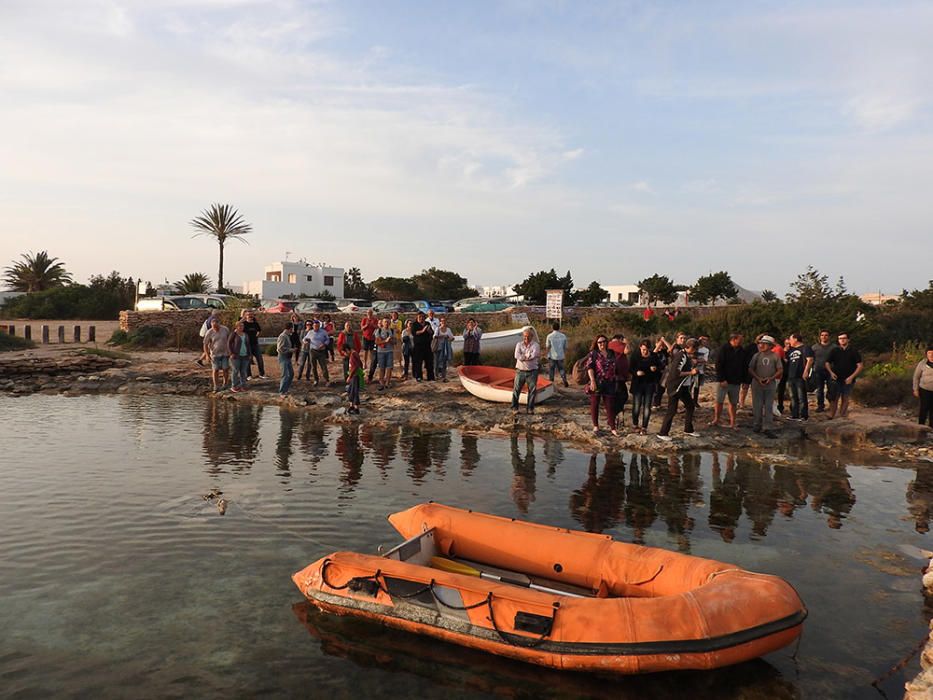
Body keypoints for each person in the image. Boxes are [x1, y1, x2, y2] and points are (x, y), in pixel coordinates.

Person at [657, 338, 700, 440]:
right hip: (675, 387)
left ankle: (688, 429)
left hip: (682, 387)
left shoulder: (685, 355)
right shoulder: (681, 356)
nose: (696, 351)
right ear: (691, 347)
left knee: (690, 406)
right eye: (695, 349)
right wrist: (691, 372)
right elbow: (676, 373)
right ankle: (663, 433)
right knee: (672, 410)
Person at [748, 335, 782, 436]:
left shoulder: (775, 356)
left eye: (764, 343)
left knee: (768, 405)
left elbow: (780, 369)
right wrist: (758, 378)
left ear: (770, 345)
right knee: (757, 405)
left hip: (770, 384)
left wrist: (771, 378)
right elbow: (750, 368)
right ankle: (757, 424)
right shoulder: (756, 356)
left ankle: (768, 426)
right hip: (757, 383)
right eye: (760, 343)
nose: (761, 345)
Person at [585, 335, 619, 436]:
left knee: (610, 406)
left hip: (610, 382)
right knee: (595, 404)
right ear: (596, 344)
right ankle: (596, 426)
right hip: (598, 381)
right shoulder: (594, 354)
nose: (602, 344)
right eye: (599, 342)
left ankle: (613, 428)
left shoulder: (611, 353)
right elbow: (590, 367)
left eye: (604, 341)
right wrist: (592, 381)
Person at [826, 332, 863, 419]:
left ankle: (842, 415)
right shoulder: (834, 350)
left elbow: (860, 366)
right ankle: (832, 415)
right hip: (836, 378)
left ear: (848, 339)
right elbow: (827, 363)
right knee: (834, 398)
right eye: (840, 338)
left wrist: (851, 377)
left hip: (849, 379)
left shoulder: (854, 351)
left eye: (844, 338)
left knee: (845, 397)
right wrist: (831, 373)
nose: (842, 340)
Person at [712, 333, 745, 428]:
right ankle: (716, 419)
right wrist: (721, 379)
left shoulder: (741, 351)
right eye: (740, 339)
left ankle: (732, 422)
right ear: (734, 339)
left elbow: (744, 366)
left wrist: (744, 380)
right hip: (724, 380)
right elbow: (718, 364)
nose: (742, 341)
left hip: (736, 381)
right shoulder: (723, 349)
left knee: (734, 403)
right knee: (719, 401)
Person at [629, 339, 659, 433]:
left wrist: (655, 369)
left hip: (649, 383)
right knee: (637, 406)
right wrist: (636, 373)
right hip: (638, 383)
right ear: (640, 347)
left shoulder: (654, 356)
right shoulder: (635, 355)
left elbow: (660, 367)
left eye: (646, 350)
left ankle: (644, 427)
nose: (644, 351)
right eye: (643, 349)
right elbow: (630, 368)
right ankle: (635, 424)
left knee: (647, 406)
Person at [511, 326, 540, 414]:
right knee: (516, 390)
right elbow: (516, 356)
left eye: (528, 336)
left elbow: (533, 355)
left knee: (532, 391)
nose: (526, 338)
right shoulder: (519, 344)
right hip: (520, 370)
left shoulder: (536, 345)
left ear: (531, 336)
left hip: (532, 371)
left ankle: (530, 408)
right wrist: (525, 357)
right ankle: (514, 408)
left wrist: (523, 357)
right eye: (525, 336)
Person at [785, 333, 814, 421]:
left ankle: (803, 415)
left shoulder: (805, 348)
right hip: (791, 375)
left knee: (801, 396)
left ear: (795, 339)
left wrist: (806, 371)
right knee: (793, 396)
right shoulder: (791, 350)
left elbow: (810, 359)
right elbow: (786, 360)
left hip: (800, 375)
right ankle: (794, 414)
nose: (790, 341)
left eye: (791, 339)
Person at [202, 315, 232, 392]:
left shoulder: (225, 329)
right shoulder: (209, 332)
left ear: (219, 323)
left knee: (225, 368)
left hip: (225, 353)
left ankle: (225, 384)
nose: (215, 327)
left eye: (216, 325)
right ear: (211, 325)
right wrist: (207, 356)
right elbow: (205, 344)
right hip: (215, 354)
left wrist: (230, 351)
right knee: (215, 370)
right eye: (213, 326)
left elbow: (229, 340)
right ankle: (216, 386)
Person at [811, 330, 836, 412]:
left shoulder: (834, 347)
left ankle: (831, 405)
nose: (824, 337)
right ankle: (820, 406)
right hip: (818, 371)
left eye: (826, 335)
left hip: (831, 371)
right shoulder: (814, 347)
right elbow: (811, 359)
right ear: (820, 337)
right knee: (819, 389)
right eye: (822, 335)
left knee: (831, 389)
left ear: (829, 337)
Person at [305, 319, 331, 386]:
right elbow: (304, 339)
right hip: (313, 351)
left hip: (321, 351)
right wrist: (306, 342)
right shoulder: (310, 332)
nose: (316, 327)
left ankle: (327, 380)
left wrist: (324, 344)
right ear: (313, 326)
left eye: (317, 326)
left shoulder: (323, 332)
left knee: (323, 366)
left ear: (319, 326)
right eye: (315, 326)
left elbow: (328, 339)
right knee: (313, 367)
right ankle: (316, 380)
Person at [228, 320, 251, 392]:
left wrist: (250, 354)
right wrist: (231, 353)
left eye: (242, 326)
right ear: (236, 327)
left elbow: (248, 344)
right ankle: (234, 386)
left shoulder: (245, 334)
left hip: (245, 355)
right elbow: (229, 343)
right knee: (235, 371)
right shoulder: (234, 334)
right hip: (236, 356)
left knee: (243, 371)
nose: (241, 327)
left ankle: (243, 385)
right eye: (240, 326)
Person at [411, 312, 435, 382]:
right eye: (420, 317)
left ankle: (430, 377)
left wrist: (429, 331)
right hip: (418, 347)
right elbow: (414, 333)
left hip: (427, 346)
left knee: (429, 362)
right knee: (418, 363)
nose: (421, 318)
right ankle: (419, 377)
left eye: (422, 317)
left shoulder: (427, 323)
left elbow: (432, 332)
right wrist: (422, 331)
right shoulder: (414, 324)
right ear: (417, 317)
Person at [241, 309, 266, 379]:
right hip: (247, 345)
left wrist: (257, 335)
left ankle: (262, 374)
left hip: (255, 344)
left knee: (260, 359)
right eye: (249, 315)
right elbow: (237, 328)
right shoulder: (244, 324)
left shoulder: (255, 323)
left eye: (252, 315)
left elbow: (259, 330)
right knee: (248, 360)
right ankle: (248, 375)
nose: (250, 316)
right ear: (246, 316)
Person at [913, 344, 933, 427]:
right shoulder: (922, 363)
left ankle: (931, 430)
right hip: (924, 389)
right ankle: (920, 427)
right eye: (929, 353)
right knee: (924, 409)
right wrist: (915, 389)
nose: (931, 355)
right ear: (926, 354)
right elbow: (916, 377)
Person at [374, 317, 395, 390]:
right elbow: (377, 342)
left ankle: (387, 383)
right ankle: (381, 383)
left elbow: (395, 342)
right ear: (382, 323)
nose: (386, 323)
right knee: (382, 368)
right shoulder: (378, 331)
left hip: (389, 351)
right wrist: (385, 341)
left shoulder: (392, 330)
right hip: (381, 352)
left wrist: (391, 340)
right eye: (385, 322)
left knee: (389, 367)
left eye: (388, 322)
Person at [545, 322, 568, 387]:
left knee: (551, 370)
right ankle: (564, 380)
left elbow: (547, 346)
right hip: (561, 355)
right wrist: (564, 354)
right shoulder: (563, 336)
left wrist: (547, 354)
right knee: (561, 369)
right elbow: (565, 347)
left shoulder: (549, 336)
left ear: (552, 327)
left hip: (552, 356)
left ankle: (551, 383)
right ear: (559, 328)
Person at [432, 316, 454, 381]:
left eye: (444, 321)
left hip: (445, 348)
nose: (443, 322)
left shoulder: (448, 329)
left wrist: (449, 339)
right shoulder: (437, 329)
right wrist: (443, 336)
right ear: (440, 322)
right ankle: (436, 375)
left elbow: (452, 338)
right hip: (438, 347)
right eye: (442, 321)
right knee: (437, 362)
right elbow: (434, 336)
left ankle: (443, 376)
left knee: (444, 362)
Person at [277, 321, 294, 397]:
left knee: (291, 374)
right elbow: (280, 348)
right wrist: (291, 350)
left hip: (287, 357)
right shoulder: (283, 336)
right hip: (283, 357)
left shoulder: (287, 335)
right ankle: (282, 392)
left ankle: (285, 390)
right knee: (285, 375)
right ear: (290, 328)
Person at [693, 335, 710, 404]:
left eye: (706, 340)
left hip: (699, 370)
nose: (704, 341)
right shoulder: (694, 347)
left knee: (696, 387)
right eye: (703, 339)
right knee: (689, 386)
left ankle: (695, 401)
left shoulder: (706, 350)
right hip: (690, 370)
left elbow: (705, 360)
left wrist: (697, 361)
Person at [346, 345, 362, 414]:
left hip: (355, 376)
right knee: (350, 390)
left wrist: (350, 376)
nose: (344, 354)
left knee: (354, 391)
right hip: (355, 375)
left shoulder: (353, 355)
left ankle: (356, 407)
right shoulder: (355, 354)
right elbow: (360, 364)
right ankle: (351, 405)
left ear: (347, 350)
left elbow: (354, 367)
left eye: (344, 352)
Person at [389, 311, 403, 376]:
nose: (394, 316)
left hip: (397, 339)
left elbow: (399, 330)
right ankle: (391, 366)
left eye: (395, 315)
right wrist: (394, 328)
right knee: (391, 353)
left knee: (398, 353)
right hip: (391, 339)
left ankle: (400, 365)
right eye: (393, 315)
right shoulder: (389, 322)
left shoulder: (399, 322)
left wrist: (393, 328)